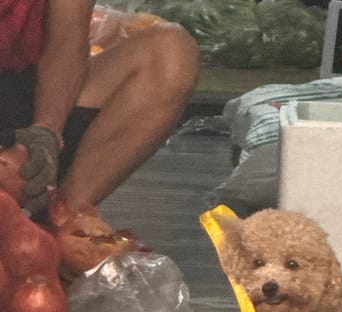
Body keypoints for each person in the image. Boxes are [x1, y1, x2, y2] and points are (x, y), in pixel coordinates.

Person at [0, 0, 200, 217]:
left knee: (170, 52)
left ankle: (61, 221)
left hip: (27, 87)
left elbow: (67, 39)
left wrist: (46, 132)